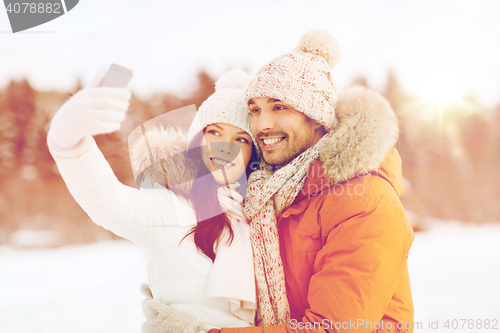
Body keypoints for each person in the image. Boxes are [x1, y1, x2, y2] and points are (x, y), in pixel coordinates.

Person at [208, 30, 415, 332]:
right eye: (255, 110)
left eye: (279, 107)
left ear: (317, 116)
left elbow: (332, 328)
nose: (262, 125)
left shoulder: (365, 199)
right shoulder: (266, 195)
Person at [47, 69, 259, 331]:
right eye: (215, 132)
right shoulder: (170, 206)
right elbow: (109, 202)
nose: (227, 147)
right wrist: (68, 143)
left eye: (241, 139)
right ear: (196, 140)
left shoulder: (261, 216)